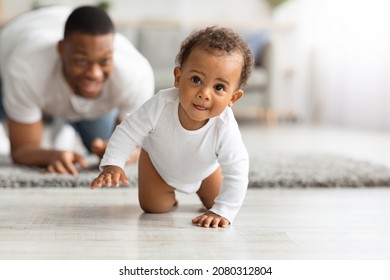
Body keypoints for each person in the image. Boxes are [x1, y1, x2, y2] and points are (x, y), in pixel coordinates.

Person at [90, 26, 254, 228]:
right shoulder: (160, 105)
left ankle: (209, 196)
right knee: (153, 207)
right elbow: (128, 130)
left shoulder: (225, 126)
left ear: (233, 98)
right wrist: (113, 164)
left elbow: (237, 169)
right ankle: (168, 194)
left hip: (205, 172)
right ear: (178, 77)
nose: (204, 93)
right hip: (159, 167)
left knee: (218, 204)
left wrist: (224, 211)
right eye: (196, 80)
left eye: (219, 87)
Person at [0, 5, 154, 175]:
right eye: (81, 61)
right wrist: (51, 156)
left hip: (89, 104)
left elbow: (140, 150)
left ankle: (65, 126)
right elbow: (22, 149)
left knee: (102, 147)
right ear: (61, 50)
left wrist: (119, 154)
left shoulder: (136, 75)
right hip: (17, 45)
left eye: (104, 62)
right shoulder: (26, 68)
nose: (94, 74)